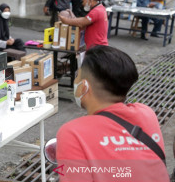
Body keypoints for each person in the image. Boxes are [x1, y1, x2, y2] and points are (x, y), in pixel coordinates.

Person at [56, 45, 168, 181]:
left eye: (77, 76)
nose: (75, 81)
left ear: (84, 87)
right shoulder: (147, 113)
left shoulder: (72, 133)